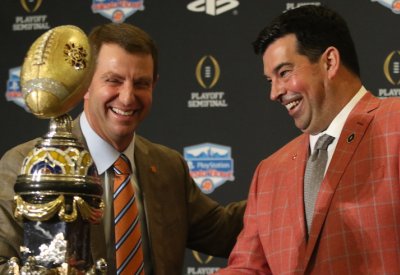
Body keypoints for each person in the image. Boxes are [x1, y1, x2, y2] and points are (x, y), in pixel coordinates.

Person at [216, 5, 400, 274]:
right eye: (269, 80)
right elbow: (248, 267)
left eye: (284, 73)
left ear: (329, 62)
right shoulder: (269, 172)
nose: (275, 92)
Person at [0, 23, 245, 274]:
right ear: (85, 84)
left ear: (154, 85)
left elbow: (224, 231)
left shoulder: (168, 167)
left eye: (141, 83)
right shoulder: (27, 163)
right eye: (113, 81)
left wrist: (284, 174)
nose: (127, 97)